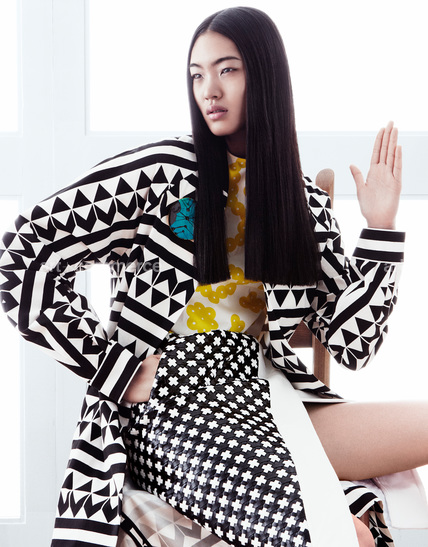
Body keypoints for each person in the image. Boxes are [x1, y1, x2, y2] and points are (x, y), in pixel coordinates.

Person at [0, 6, 427, 547]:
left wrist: (381, 229)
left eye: (228, 70)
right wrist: (116, 369)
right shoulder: (162, 173)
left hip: (267, 395)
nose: (210, 90)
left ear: (265, 75)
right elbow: (22, 255)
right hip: (174, 402)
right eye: (197, 74)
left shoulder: (302, 204)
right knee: (349, 538)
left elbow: (353, 344)